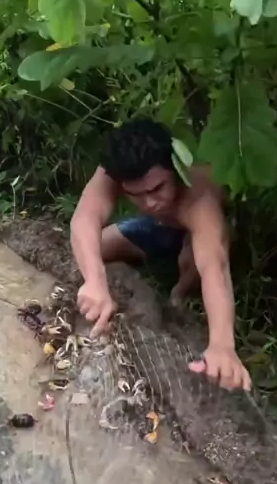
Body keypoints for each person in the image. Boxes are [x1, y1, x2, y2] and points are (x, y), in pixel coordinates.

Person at [70, 118, 251, 391]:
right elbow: (84, 219)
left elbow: (215, 266)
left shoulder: (198, 199)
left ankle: (179, 294)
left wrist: (222, 345)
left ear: (174, 169)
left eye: (157, 188)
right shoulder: (115, 170)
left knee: (193, 263)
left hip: (202, 235)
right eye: (136, 194)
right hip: (159, 228)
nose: (149, 202)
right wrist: (95, 281)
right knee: (95, 248)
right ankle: (149, 256)